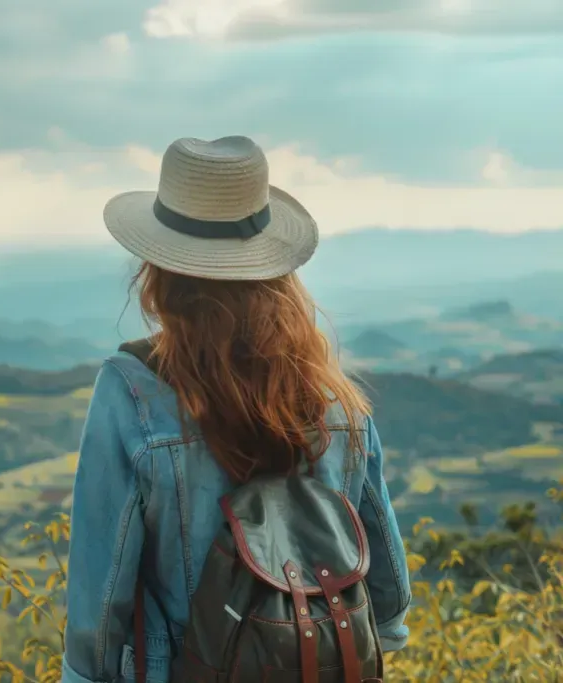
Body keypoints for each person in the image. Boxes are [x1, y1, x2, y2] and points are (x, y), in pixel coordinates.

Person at [62, 136, 411, 683]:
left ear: (159, 269)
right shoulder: (335, 397)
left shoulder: (131, 391)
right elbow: (388, 592)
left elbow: (101, 599)